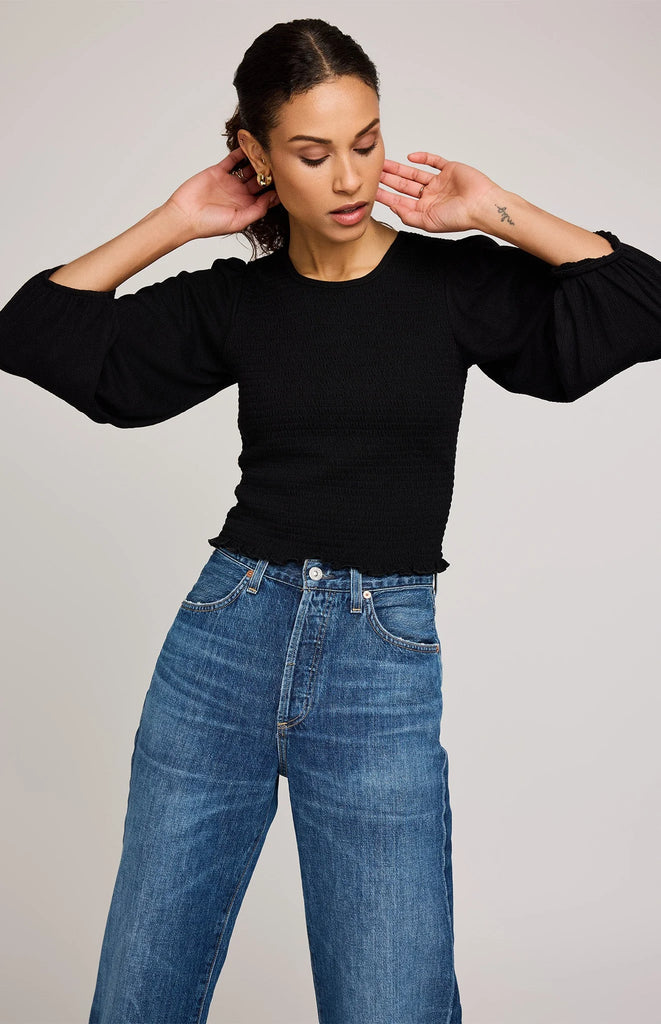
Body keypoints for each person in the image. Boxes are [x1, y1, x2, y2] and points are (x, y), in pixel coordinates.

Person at [1, 15, 660, 1024]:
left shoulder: (454, 288)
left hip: (377, 664)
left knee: (392, 1003)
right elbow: (34, 334)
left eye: (366, 142)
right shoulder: (237, 302)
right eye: (312, 154)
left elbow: (641, 304)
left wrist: (496, 212)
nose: (350, 179)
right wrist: (176, 219)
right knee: (141, 995)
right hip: (222, 646)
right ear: (257, 155)